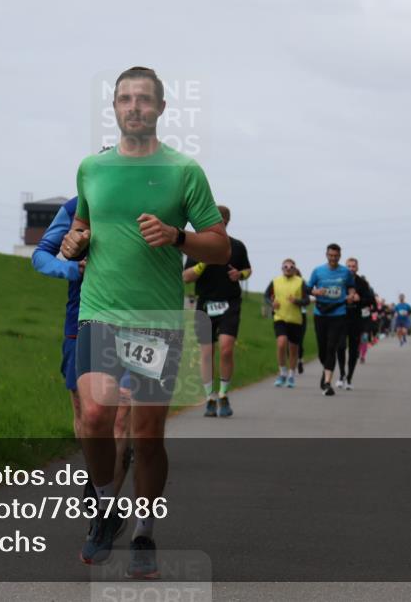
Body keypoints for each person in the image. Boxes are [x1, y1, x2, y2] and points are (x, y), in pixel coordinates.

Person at [61, 66, 230, 577]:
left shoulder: (184, 171)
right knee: (93, 418)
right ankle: (107, 508)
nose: (134, 107)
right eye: (124, 99)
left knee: (147, 434)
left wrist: (178, 237)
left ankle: (144, 532)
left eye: (144, 99)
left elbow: (219, 247)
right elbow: (82, 224)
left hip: (153, 320)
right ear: (113, 108)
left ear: (161, 109)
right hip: (99, 311)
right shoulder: (91, 168)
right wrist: (74, 242)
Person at [31, 197, 134, 498]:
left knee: (120, 413)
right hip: (81, 321)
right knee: (86, 413)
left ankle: (106, 504)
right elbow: (40, 256)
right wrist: (74, 269)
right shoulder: (74, 208)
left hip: (133, 320)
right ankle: (98, 474)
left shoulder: (146, 202)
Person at [183, 205, 251, 417]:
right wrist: (204, 262)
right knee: (206, 354)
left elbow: (248, 269)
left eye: (223, 219)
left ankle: (223, 394)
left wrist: (239, 275)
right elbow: (185, 277)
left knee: (226, 348)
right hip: (205, 304)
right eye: (217, 218)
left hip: (230, 302)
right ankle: (209, 397)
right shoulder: (198, 246)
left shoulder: (237, 246)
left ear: (227, 221)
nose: (220, 222)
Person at [306, 243, 356, 396]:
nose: (333, 258)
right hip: (321, 313)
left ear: (339, 256)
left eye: (336, 256)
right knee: (322, 349)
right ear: (326, 255)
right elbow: (307, 288)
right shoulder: (318, 271)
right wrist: (315, 291)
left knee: (331, 347)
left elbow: (351, 286)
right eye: (331, 255)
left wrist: (351, 295)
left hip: (338, 313)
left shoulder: (345, 272)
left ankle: (327, 383)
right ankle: (326, 370)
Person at [264, 259, 309, 388]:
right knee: (281, 343)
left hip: (295, 319)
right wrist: (271, 303)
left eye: (291, 267)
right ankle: (282, 372)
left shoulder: (300, 282)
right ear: (282, 268)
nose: (288, 268)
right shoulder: (275, 281)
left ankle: (291, 375)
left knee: (294, 349)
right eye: (285, 266)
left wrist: (297, 301)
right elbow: (266, 296)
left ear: (295, 269)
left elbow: (306, 300)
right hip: (280, 318)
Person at [335, 258, 375, 390]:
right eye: (349, 266)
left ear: (357, 268)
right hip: (341, 318)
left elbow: (371, 300)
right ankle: (341, 374)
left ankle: (349, 379)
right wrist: (344, 299)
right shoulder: (340, 280)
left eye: (353, 266)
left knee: (353, 351)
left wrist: (360, 299)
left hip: (356, 320)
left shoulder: (362, 283)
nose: (351, 268)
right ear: (345, 268)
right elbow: (333, 297)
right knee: (340, 346)